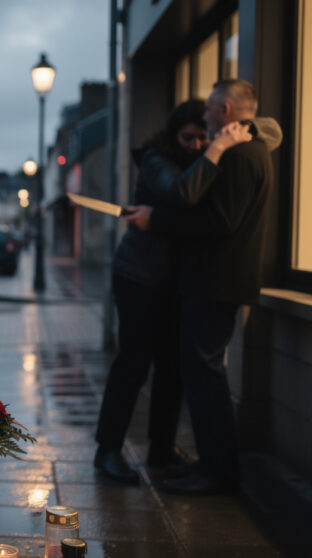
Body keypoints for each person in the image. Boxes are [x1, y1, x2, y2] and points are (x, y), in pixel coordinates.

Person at [125, 79, 281, 494]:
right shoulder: (248, 150)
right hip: (218, 281)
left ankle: (218, 472)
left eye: (211, 108)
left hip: (216, 282)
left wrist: (155, 219)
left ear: (226, 110)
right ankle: (211, 466)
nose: (205, 115)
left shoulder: (240, 154)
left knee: (205, 376)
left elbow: (219, 222)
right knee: (201, 373)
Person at [94, 99, 254, 484]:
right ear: (172, 135)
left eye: (203, 138)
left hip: (174, 284)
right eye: (188, 137)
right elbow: (181, 194)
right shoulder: (155, 160)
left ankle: (161, 450)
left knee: (172, 369)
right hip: (138, 278)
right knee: (133, 363)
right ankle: (108, 450)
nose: (196, 145)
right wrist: (216, 150)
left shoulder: (199, 162)